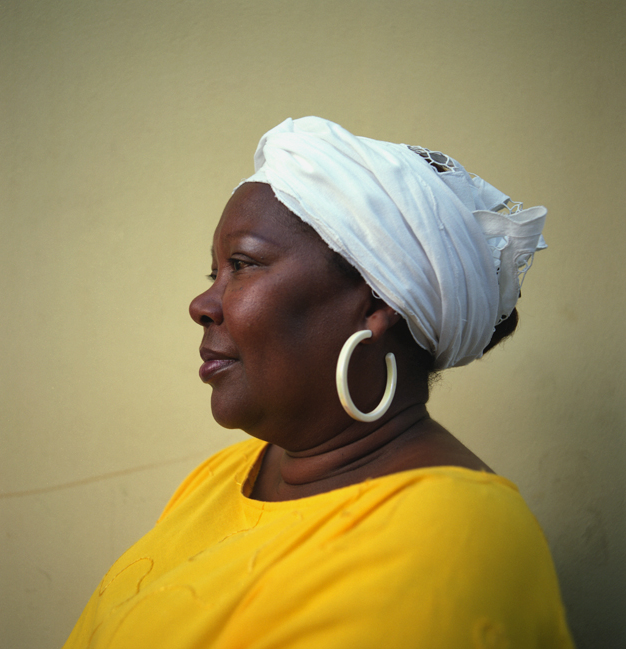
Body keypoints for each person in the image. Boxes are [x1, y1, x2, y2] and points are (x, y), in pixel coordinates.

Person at [63, 117, 574, 648]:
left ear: (377, 302)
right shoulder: (225, 476)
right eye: (213, 273)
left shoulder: (449, 534)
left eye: (242, 264)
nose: (202, 305)